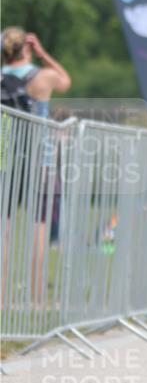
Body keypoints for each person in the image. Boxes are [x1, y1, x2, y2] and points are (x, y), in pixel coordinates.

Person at [1, 28, 71, 300]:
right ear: (27, 48)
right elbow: (66, 81)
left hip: (5, 158)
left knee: (3, 231)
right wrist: (44, 54)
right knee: (39, 229)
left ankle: (2, 300)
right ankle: (36, 299)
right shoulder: (43, 76)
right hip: (40, 160)